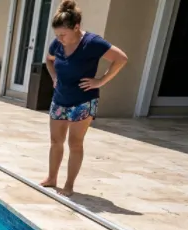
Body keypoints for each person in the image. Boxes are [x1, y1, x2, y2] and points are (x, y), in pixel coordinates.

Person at [40, 0, 128, 196]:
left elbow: (121, 58)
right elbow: (49, 60)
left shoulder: (92, 43)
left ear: (76, 27)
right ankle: (52, 177)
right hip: (60, 99)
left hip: (83, 101)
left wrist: (101, 81)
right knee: (56, 141)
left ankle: (69, 185)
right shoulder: (58, 43)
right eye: (57, 35)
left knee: (75, 143)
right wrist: (54, 77)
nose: (59, 38)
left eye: (63, 34)